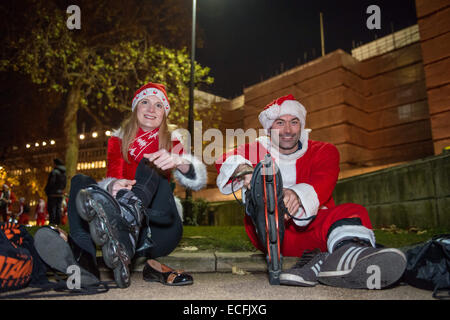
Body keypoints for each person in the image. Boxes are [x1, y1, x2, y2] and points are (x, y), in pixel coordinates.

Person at [215, 94, 407, 289]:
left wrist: (296, 195)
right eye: (280, 122)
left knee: (354, 211)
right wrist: (246, 172)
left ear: (302, 125)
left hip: (316, 230)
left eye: (294, 122)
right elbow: (225, 159)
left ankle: (347, 256)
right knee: (261, 199)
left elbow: (323, 182)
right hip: (267, 230)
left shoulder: (325, 151)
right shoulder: (257, 148)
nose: (288, 130)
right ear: (270, 127)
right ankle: (338, 258)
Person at [34, 82, 207, 289]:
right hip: (117, 228)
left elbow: (197, 181)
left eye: (158, 105)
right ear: (136, 109)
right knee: (79, 181)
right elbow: (112, 176)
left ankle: (127, 225)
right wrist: (112, 186)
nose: (152, 109)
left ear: (164, 113)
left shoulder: (173, 140)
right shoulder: (117, 140)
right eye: (145, 102)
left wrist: (180, 162)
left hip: (158, 226)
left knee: (150, 162)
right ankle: (87, 264)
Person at [44, 158, 67, 225]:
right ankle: (58, 223)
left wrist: (47, 190)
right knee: (58, 208)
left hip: (53, 193)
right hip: (60, 193)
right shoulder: (64, 173)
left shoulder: (54, 172)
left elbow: (51, 182)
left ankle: (52, 223)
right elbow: (64, 184)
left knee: (52, 208)